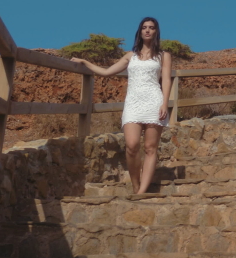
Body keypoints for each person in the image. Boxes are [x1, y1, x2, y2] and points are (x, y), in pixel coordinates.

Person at [70, 17, 172, 194]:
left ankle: (141, 193)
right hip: (133, 103)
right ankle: (135, 185)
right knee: (132, 146)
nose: (147, 30)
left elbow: (167, 81)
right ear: (140, 32)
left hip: (154, 102)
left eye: (151, 28)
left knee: (150, 148)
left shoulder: (164, 56)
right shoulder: (130, 56)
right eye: (144, 28)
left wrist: (164, 103)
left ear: (156, 31)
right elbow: (107, 72)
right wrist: (84, 62)